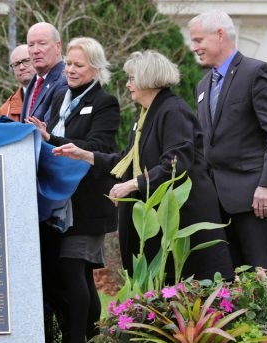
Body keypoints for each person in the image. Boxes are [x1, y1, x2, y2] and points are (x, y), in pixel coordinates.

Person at [53, 49, 234, 287]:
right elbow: (127, 158)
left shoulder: (173, 111)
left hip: (183, 218)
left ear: (149, 78)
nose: (128, 85)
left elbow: (176, 161)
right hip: (159, 220)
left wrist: (133, 184)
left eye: (132, 78)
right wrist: (84, 155)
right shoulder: (146, 114)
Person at [29, 37, 118, 343]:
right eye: (68, 64)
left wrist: (54, 139)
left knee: (73, 272)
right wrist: (41, 133)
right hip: (59, 203)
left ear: (95, 68)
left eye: (79, 65)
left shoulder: (104, 102)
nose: (71, 70)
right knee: (72, 276)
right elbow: (51, 136)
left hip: (87, 204)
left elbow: (99, 147)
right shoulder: (59, 97)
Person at [188, 10, 267, 294]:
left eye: (199, 39)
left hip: (258, 200)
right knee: (235, 284)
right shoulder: (203, 85)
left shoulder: (256, 72)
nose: (194, 47)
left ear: (220, 34)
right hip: (219, 203)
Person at [21, 22, 68, 122]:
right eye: (31, 45)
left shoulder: (66, 80)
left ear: (58, 47)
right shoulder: (33, 83)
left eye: (42, 43)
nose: (35, 50)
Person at [0, 44, 36, 122]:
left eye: (26, 61)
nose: (21, 67)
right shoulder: (6, 110)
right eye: (16, 64)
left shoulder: (54, 94)